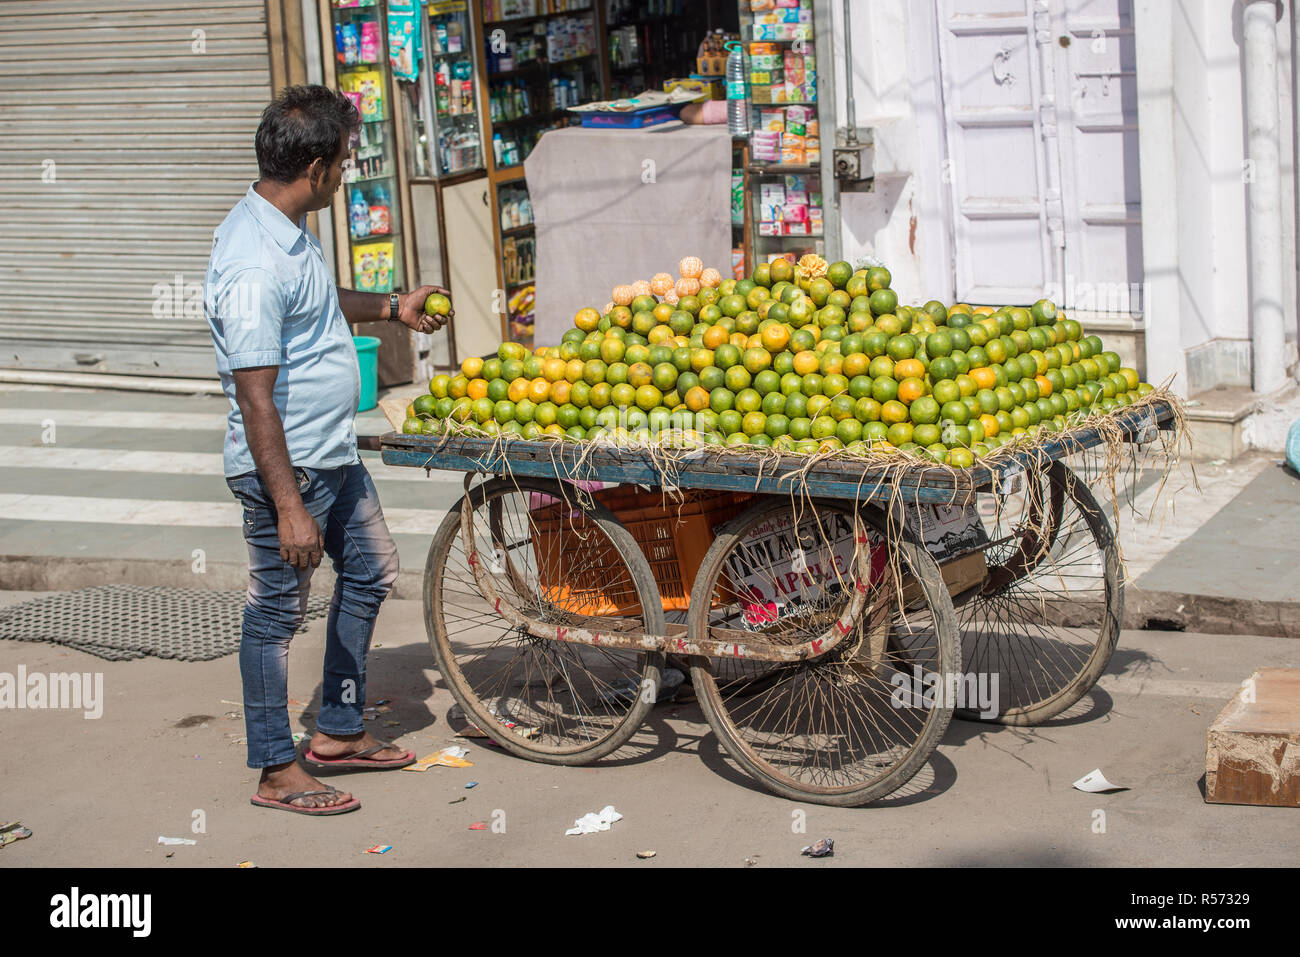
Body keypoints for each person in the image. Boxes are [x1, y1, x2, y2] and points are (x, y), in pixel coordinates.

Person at [204, 85, 452, 815]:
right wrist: (288, 507)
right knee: (275, 616)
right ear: (315, 167)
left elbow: (315, 303)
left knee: (373, 569)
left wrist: (392, 306)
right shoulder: (251, 261)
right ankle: (277, 769)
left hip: (330, 453)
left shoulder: (285, 230)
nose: (347, 173)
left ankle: (339, 730)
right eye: (344, 162)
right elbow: (255, 397)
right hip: (289, 469)